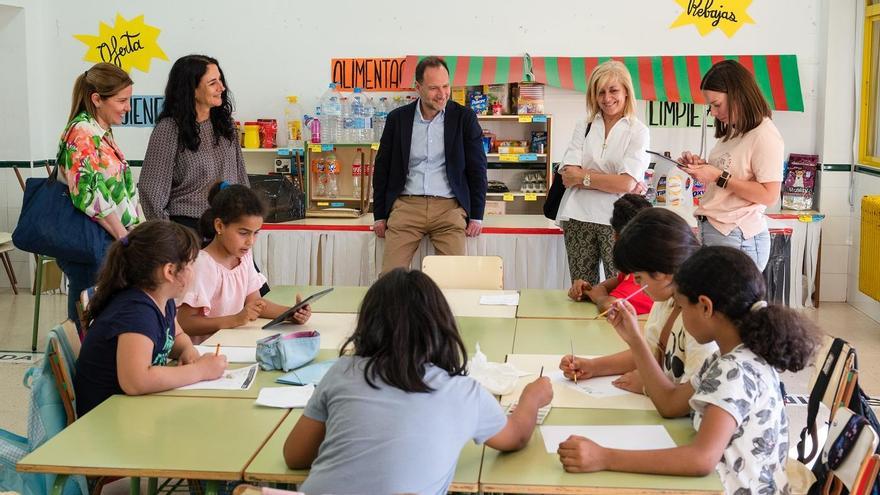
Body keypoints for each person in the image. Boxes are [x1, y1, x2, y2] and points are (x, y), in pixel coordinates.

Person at [557, 246, 820, 494]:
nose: (679, 315)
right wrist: (635, 340)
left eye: (682, 308)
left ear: (705, 307)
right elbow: (670, 404)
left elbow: (700, 459)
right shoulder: (726, 357)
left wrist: (605, 457)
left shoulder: (735, 370)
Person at [283, 268, 552, 494]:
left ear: (367, 322)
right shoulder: (463, 391)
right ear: (440, 325)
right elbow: (515, 438)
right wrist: (532, 397)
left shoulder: (343, 371)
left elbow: (295, 457)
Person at [73, 221, 227, 416]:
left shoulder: (163, 300)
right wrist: (201, 371)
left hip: (132, 412)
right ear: (170, 271)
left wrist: (187, 350)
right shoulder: (137, 312)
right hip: (104, 420)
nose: (192, 271)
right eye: (189, 264)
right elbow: (136, 381)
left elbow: (176, 336)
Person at [560, 208, 716, 399]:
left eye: (638, 277)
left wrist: (648, 387)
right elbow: (650, 354)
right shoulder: (667, 300)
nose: (635, 283)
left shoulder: (700, 319)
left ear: (660, 273)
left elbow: (688, 399)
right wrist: (593, 366)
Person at [372, 56, 488, 274]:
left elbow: (477, 168)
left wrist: (476, 216)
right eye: (434, 88)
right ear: (418, 87)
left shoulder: (464, 118)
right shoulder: (398, 119)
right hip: (406, 207)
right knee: (389, 280)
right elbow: (382, 169)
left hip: (449, 209)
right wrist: (379, 215)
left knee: (454, 280)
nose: (442, 94)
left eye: (446, 86)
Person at [55, 62, 145, 328]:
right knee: (89, 322)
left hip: (110, 240)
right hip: (93, 243)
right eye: (122, 101)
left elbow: (120, 192)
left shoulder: (100, 132)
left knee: (102, 318)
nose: (128, 107)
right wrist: (125, 239)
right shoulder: (81, 133)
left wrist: (138, 233)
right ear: (97, 99)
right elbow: (91, 197)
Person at [679, 60, 784, 271]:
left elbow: (769, 195)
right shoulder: (735, 130)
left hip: (737, 234)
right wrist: (703, 168)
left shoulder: (764, 135)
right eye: (710, 106)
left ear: (738, 94)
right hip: (718, 230)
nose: (713, 112)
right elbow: (732, 173)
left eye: (716, 104)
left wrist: (717, 176)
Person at [176, 182, 310, 343]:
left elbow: (254, 303)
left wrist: (290, 313)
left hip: (233, 345)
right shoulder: (202, 265)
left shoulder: (244, 257)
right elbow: (185, 322)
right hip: (203, 353)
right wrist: (235, 319)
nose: (250, 241)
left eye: (256, 233)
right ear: (219, 226)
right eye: (243, 233)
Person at [139, 54, 248, 230]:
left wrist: (245, 221)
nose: (222, 87)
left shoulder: (226, 126)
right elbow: (151, 193)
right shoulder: (169, 129)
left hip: (228, 226)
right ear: (192, 90)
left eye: (220, 80)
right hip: (188, 228)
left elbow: (241, 179)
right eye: (212, 83)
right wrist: (172, 237)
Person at [567, 193, 653, 315]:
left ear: (616, 237)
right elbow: (603, 287)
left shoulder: (642, 275)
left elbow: (609, 307)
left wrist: (599, 298)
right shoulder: (635, 268)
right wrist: (587, 291)